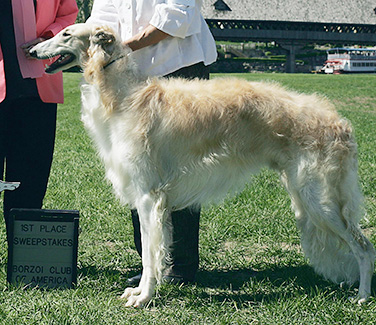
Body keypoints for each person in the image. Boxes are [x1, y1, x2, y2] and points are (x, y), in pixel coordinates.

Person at [87, 0, 217, 284]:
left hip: (178, 68)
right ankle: (151, 264)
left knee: (180, 170)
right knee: (138, 169)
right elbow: (100, 20)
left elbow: (178, 16)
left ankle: (180, 264)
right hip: (128, 73)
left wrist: (123, 47)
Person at [0, 0, 78, 241]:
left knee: (31, 177)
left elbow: (69, 15)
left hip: (39, 91)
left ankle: (24, 248)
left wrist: (50, 38)